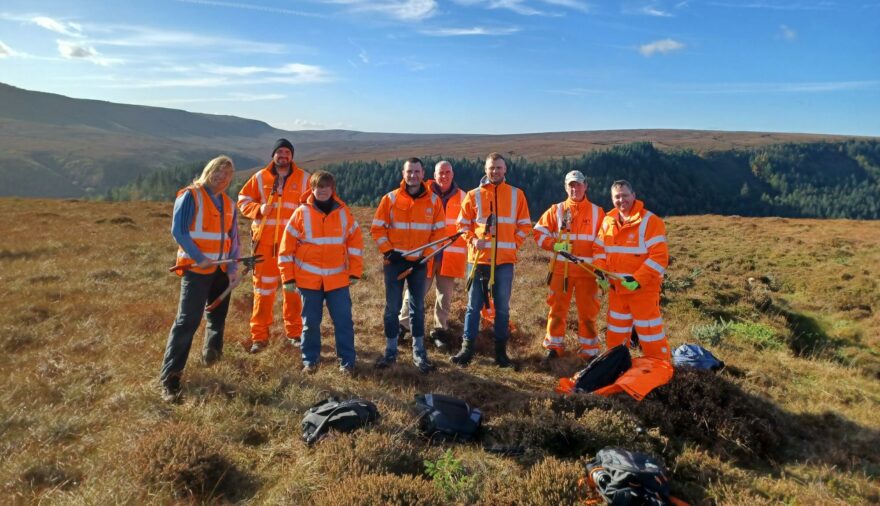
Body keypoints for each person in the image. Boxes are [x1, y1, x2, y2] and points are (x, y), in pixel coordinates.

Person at [160, 155, 240, 402]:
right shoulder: (191, 196)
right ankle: (170, 380)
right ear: (208, 171)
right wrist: (198, 256)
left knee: (217, 319)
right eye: (217, 172)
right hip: (196, 270)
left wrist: (233, 269)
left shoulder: (228, 203)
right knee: (187, 322)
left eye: (226, 174)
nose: (221, 177)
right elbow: (179, 231)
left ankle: (212, 362)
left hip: (221, 270)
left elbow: (233, 239)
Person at [278, 171, 363, 375]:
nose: (322, 190)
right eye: (318, 186)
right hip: (308, 280)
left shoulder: (344, 213)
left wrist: (355, 271)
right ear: (312, 189)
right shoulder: (300, 213)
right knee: (310, 324)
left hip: (337, 280)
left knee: (343, 322)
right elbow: (286, 247)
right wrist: (287, 277)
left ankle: (347, 362)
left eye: (326, 187)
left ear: (332, 189)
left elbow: (355, 242)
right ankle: (310, 360)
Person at [451, 153, 531, 367]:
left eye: (498, 167)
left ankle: (500, 352)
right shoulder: (473, 195)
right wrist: (472, 240)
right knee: (473, 306)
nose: (495, 171)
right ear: (485, 170)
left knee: (502, 308)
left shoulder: (517, 194)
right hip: (478, 260)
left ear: (505, 170)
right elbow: (462, 224)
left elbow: (525, 225)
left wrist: (514, 244)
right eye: (491, 168)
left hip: (504, 261)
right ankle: (467, 349)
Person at [370, 157, 446, 373]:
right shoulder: (390, 199)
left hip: (419, 264)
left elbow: (439, 233)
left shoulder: (433, 201)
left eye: (416, 171)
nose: (413, 175)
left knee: (417, 308)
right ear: (403, 174)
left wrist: (426, 255)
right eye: (409, 171)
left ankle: (419, 353)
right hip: (394, 262)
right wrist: (388, 251)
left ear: (423, 174)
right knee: (392, 308)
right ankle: (390, 351)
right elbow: (377, 229)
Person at [237, 139, 310, 353]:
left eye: (287, 152)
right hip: (264, 246)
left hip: (293, 247)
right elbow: (242, 200)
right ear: (273, 155)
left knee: (293, 292)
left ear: (292, 156)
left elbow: (311, 207)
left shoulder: (304, 178)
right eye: (279, 152)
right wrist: (258, 209)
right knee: (263, 291)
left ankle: (295, 334)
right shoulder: (260, 177)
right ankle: (259, 337)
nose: (283, 155)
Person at [593, 180, 671, 361]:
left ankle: (660, 371)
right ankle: (615, 369)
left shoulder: (651, 221)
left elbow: (659, 258)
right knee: (615, 336)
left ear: (634, 196)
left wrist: (637, 280)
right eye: (617, 197)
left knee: (651, 336)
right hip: (617, 292)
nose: (621, 200)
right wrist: (602, 272)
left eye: (625, 195)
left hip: (642, 292)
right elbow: (599, 250)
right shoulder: (608, 221)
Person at [534, 170, 605, 365]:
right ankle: (553, 347)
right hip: (560, 271)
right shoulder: (556, 210)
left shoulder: (598, 212)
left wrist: (600, 269)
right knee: (556, 310)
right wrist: (553, 245)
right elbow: (538, 232)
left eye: (578, 184)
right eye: (571, 185)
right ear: (566, 187)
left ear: (586, 186)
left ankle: (590, 350)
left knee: (588, 313)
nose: (575, 188)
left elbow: (604, 242)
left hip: (588, 272)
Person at [398, 160, 467, 350]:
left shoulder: (464, 197)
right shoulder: (423, 192)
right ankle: (402, 326)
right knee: (414, 293)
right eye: (440, 173)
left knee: (445, 296)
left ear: (452, 174)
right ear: (433, 175)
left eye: (447, 172)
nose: (443, 176)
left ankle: (440, 330)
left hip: (450, 257)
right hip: (425, 255)